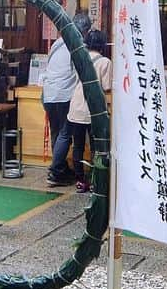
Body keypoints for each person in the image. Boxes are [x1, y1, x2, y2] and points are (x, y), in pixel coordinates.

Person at [42, 12, 92, 187]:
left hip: (48, 94)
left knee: (57, 132)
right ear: (85, 31)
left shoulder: (58, 42)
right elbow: (83, 73)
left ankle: (61, 169)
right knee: (64, 134)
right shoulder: (76, 44)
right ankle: (55, 172)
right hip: (64, 95)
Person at [65, 29, 113, 193]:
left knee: (78, 146)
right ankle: (94, 181)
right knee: (95, 147)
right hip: (94, 110)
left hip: (76, 106)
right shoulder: (105, 61)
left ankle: (80, 180)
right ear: (102, 44)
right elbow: (106, 87)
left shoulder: (80, 58)